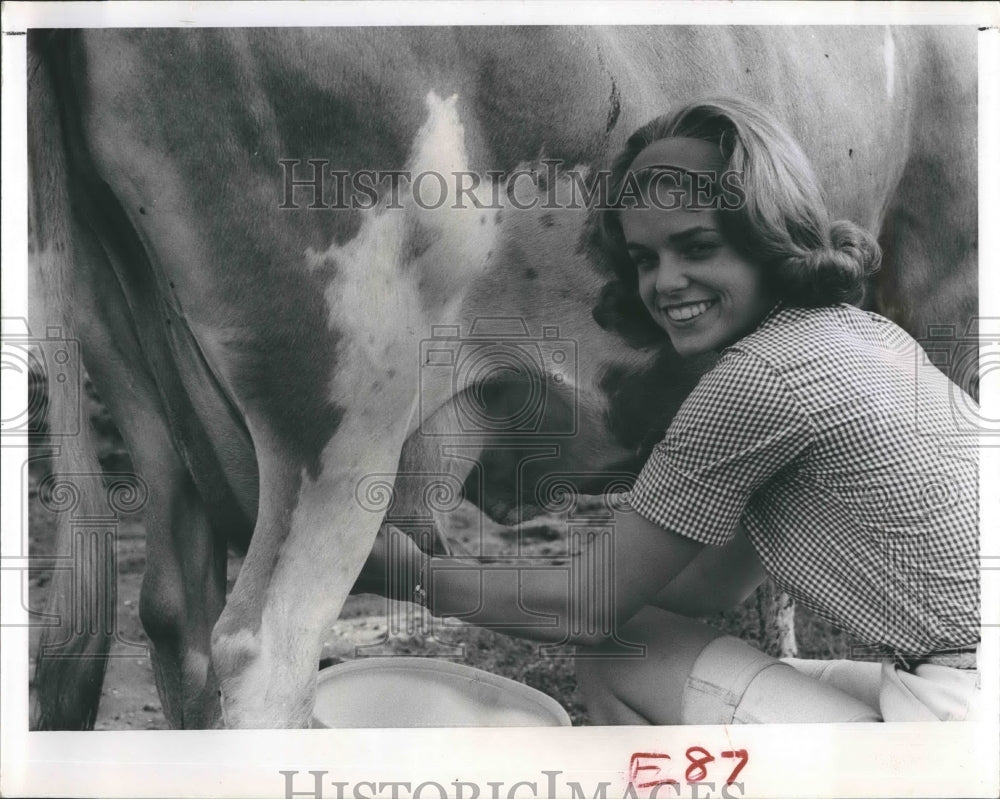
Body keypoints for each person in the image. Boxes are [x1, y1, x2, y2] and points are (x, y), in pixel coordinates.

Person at [360, 97, 981, 724]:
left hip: (961, 712)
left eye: (698, 247)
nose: (667, 282)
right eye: (645, 259)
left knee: (615, 659)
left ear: (770, 237)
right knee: (638, 639)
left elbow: (586, 609)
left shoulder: (758, 377)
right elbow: (714, 583)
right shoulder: (861, 333)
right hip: (960, 679)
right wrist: (574, 578)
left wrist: (415, 577)